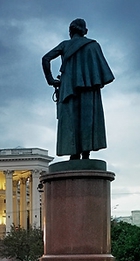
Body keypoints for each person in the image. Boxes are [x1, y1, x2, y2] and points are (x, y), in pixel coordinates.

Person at [42, 18, 114, 160]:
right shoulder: (93, 45)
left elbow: (45, 59)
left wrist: (50, 79)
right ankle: (86, 153)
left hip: (69, 88)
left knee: (70, 119)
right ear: (84, 31)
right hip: (89, 87)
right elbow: (103, 72)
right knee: (88, 119)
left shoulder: (65, 45)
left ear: (71, 31)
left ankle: (74, 154)